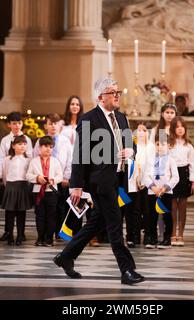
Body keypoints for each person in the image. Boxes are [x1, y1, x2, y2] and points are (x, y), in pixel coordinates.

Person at [53, 77, 145, 285]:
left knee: (97, 222)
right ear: (101, 97)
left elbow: (131, 143)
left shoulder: (121, 117)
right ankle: (127, 270)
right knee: (114, 224)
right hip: (100, 182)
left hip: (118, 179)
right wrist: (76, 185)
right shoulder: (89, 119)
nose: (117, 95)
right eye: (113, 92)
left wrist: (131, 150)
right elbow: (80, 155)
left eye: (118, 92)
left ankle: (66, 256)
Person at [34, 113, 73, 242]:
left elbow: (69, 160)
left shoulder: (65, 141)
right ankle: (45, 234)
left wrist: (66, 177)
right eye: (50, 123)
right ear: (46, 125)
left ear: (60, 125)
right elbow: (34, 159)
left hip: (60, 180)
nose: (53, 126)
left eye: (56, 123)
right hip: (44, 182)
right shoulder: (40, 142)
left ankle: (58, 232)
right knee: (45, 210)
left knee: (61, 208)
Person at [0, 112, 33, 242]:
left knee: (21, 211)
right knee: (10, 211)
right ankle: (8, 232)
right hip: (11, 183)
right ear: (9, 125)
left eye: (19, 123)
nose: (17, 126)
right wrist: (6, 182)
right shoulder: (5, 140)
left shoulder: (27, 140)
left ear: (22, 124)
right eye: (14, 123)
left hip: (22, 183)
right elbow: (3, 163)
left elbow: (30, 157)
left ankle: (21, 234)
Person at [143, 133, 179, 249]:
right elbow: (146, 176)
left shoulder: (171, 160)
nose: (160, 147)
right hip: (152, 192)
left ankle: (167, 238)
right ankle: (151, 238)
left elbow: (175, 177)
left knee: (166, 216)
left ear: (169, 145)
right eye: (158, 144)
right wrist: (153, 187)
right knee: (151, 216)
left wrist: (165, 188)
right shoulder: (150, 160)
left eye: (163, 144)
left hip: (166, 192)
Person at [27, 136, 63, 247]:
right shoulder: (34, 161)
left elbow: (60, 176)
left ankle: (49, 238)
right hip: (38, 192)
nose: (48, 149)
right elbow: (28, 175)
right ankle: (40, 238)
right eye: (45, 146)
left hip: (51, 192)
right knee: (40, 215)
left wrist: (53, 180)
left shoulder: (56, 161)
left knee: (51, 215)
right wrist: (37, 178)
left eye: (51, 147)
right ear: (39, 147)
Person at [121, 122, 151, 248]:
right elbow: (130, 165)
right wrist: (136, 179)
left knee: (147, 210)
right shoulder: (132, 147)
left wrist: (144, 181)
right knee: (132, 210)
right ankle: (132, 236)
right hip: (132, 182)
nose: (141, 133)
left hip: (147, 183)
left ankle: (149, 235)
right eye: (138, 130)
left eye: (144, 130)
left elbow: (150, 166)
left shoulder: (150, 148)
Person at [169, 116, 194, 246]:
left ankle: (181, 234)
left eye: (182, 127)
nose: (180, 129)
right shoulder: (169, 144)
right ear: (173, 129)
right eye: (177, 127)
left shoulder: (188, 145)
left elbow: (193, 164)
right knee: (173, 206)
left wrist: (193, 181)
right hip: (171, 175)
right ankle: (173, 233)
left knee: (182, 207)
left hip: (184, 174)